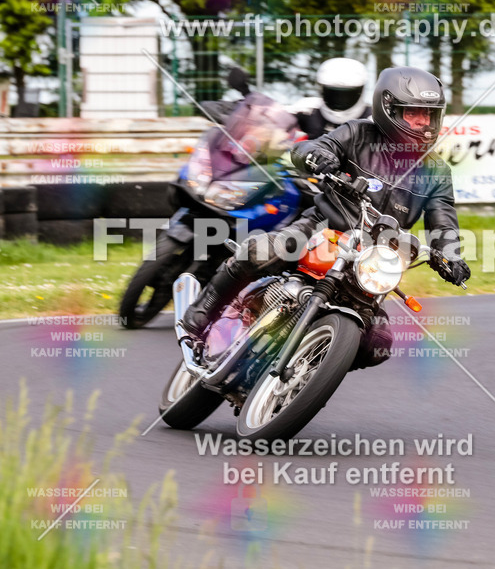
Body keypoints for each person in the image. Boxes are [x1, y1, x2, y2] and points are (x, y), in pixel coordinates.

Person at [181, 66, 471, 369]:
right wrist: (318, 155)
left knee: (377, 345)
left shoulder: (436, 171)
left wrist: (449, 255)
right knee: (262, 251)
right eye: (414, 113)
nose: (423, 122)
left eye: (429, 114)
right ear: (390, 109)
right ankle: (203, 311)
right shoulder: (358, 133)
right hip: (322, 227)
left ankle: (307, 371)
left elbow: (443, 218)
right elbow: (308, 148)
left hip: (372, 258)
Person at [292, 57, 371, 139]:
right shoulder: (306, 112)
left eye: (346, 94)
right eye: (334, 93)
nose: (340, 99)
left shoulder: (374, 120)